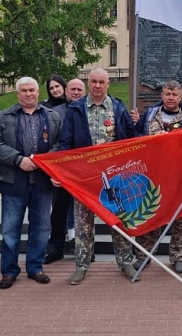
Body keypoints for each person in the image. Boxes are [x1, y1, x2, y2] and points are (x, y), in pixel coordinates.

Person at [55, 68, 139, 285]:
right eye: (93, 81)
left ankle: (126, 262)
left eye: (102, 82)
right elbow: (65, 143)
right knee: (83, 224)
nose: (97, 86)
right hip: (85, 178)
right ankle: (81, 266)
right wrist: (60, 171)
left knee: (120, 221)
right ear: (88, 83)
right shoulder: (76, 109)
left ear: (108, 83)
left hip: (115, 178)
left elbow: (131, 139)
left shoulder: (118, 108)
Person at [0, 77, 62, 289]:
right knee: (10, 229)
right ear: (17, 94)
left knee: (41, 227)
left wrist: (43, 161)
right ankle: (9, 271)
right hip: (13, 180)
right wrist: (18, 160)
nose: (29, 94)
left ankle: (35, 267)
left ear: (38, 93)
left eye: (32, 90)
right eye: (24, 91)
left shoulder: (53, 117)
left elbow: (60, 143)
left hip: (42, 181)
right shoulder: (2, 118)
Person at [132, 80, 182, 274]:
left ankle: (180, 256)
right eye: (167, 94)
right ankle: (144, 254)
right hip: (152, 173)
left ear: (180, 96)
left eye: (174, 94)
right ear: (162, 95)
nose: (170, 98)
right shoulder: (150, 115)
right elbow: (136, 137)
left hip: (178, 174)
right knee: (148, 212)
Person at [45, 77, 86, 264]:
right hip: (62, 168)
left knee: (85, 211)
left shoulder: (89, 109)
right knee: (59, 211)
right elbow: (51, 141)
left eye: (79, 89)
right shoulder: (54, 112)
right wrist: (53, 169)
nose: (76, 92)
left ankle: (86, 249)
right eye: (72, 89)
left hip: (85, 169)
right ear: (66, 92)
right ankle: (55, 249)